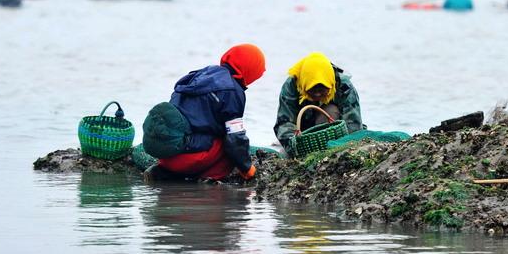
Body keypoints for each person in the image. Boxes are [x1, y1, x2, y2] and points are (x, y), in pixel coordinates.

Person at [142, 44, 266, 181]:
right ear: (250, 69)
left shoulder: (203, 73)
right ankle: (207, 179)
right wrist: (247, 169)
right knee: (228, 144)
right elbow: (235, 140)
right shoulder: (233, 91)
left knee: (207, 136)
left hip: (166, 154)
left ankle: (165, 172)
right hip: (186, 158)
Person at [274, 52, 364, 156]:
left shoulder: (344, 86)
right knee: (285, 154)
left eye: (321, 90)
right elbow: (284, 123)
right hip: (302, 131)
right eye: (312, 89)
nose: (317, 94)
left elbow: (353, 124)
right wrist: (293, 145)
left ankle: (325, 148)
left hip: (332, 130)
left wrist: (344, 148)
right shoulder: (292, 85)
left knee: (331, 109)